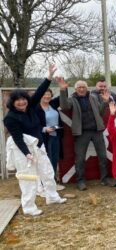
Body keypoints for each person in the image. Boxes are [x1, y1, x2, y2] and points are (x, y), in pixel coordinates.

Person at [4, 64, 66, 216]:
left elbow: (39, 92)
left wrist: (49, 76)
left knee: (47, 172)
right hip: (22, 150)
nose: (21, 102)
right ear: (12, 102)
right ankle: (29, 207)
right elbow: (18, 138)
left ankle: (52, 196)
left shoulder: (31, 106)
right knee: (29, 179)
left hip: (39, 145)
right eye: (17, 101)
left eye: (23, 99)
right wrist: (27, 154)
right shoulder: (10, 118)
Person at [58, 77, 115, 191]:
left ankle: (105, 178)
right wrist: (63, 90)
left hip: (96, 131)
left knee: (103, 156)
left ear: (87, 88)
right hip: (81, 133)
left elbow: (101, 112)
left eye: (83, 87)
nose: (81, 89)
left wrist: (104, 102)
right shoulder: (72, 99)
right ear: (75, 89)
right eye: (79, 87)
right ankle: (81, 181)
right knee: (79, 158)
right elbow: (64, 106)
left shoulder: (93, 97)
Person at [35, 88, 65, 190]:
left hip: (55, 135)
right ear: (40, 96)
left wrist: (63, 88)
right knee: (46, 160)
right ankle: (45, 183)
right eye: (44, 94)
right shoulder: (36, 108)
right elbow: (33, 125)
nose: (47, 96)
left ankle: (52, 181)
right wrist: (44, 129)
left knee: (55, 159)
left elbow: (63, 97)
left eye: (49, 94)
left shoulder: (52, 104)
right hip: (44, 138)